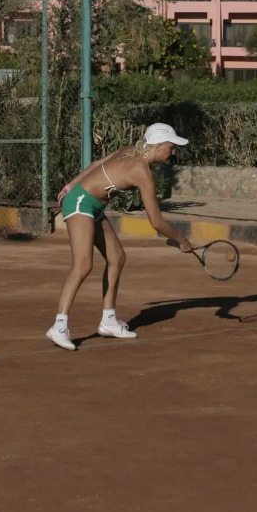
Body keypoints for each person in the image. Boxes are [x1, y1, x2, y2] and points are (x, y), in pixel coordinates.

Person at [46, 123, 194, 351]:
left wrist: (71, 183)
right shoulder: (142, 172)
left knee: (116, 257)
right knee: (83, 265)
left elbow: (97, 165)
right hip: (80, 203)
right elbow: (156, 221)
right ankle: (59, 326)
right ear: (158, 145)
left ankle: (108, 321)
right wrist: (182, 239)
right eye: (172, 146)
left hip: (92, 205)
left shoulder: (131, 151)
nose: (173, 151)